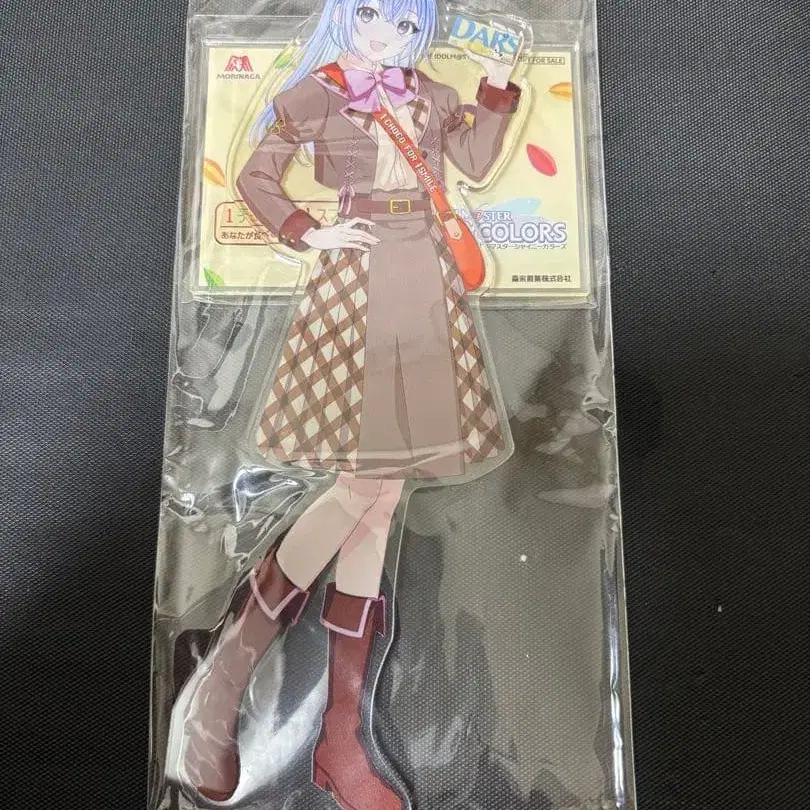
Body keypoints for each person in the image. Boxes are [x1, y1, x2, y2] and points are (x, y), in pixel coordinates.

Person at [176, 2, 521, 807]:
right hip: (357, 279)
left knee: (380, 496)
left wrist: (498, 87)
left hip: (424, 277)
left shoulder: (431, 93)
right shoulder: (320, 91)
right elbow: (257, 176)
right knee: (366, 487)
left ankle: (335, 731)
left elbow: (473, 161)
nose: (383, 34)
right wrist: (309, 230)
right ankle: (228, 682)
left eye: (402, 23)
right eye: (369, 13)